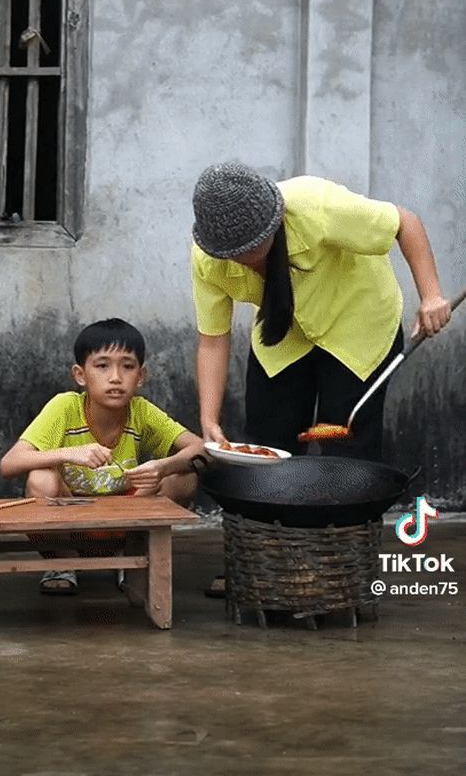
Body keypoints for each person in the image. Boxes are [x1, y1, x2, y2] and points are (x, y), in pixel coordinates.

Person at [191, 163, 452, 596]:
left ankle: (342, 569)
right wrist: (208, 419)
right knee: (265, 445)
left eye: (253, 247)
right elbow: (212, 340)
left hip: (357, 319)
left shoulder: (316, 205)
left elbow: (406, 222)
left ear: (274, 221)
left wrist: (431, 295)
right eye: (232, 252)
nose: (244, 259)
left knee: (346, 448)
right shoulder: (208, 257)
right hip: (284, 329)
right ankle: (261, 564)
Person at [0, 318, 204, 594]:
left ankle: (130, 558)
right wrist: (70, 453)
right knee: (41, 479)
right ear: (80, 375)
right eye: (102, 365)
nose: (116, 377)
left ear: (141, 376)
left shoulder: (141, 410)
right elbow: (10, 463)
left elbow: (202, 449)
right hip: (71, 526)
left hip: (125, 524)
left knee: (184, 477)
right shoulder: (65, 407)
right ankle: (63, 562)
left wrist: (163, 467)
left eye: (127, 366)